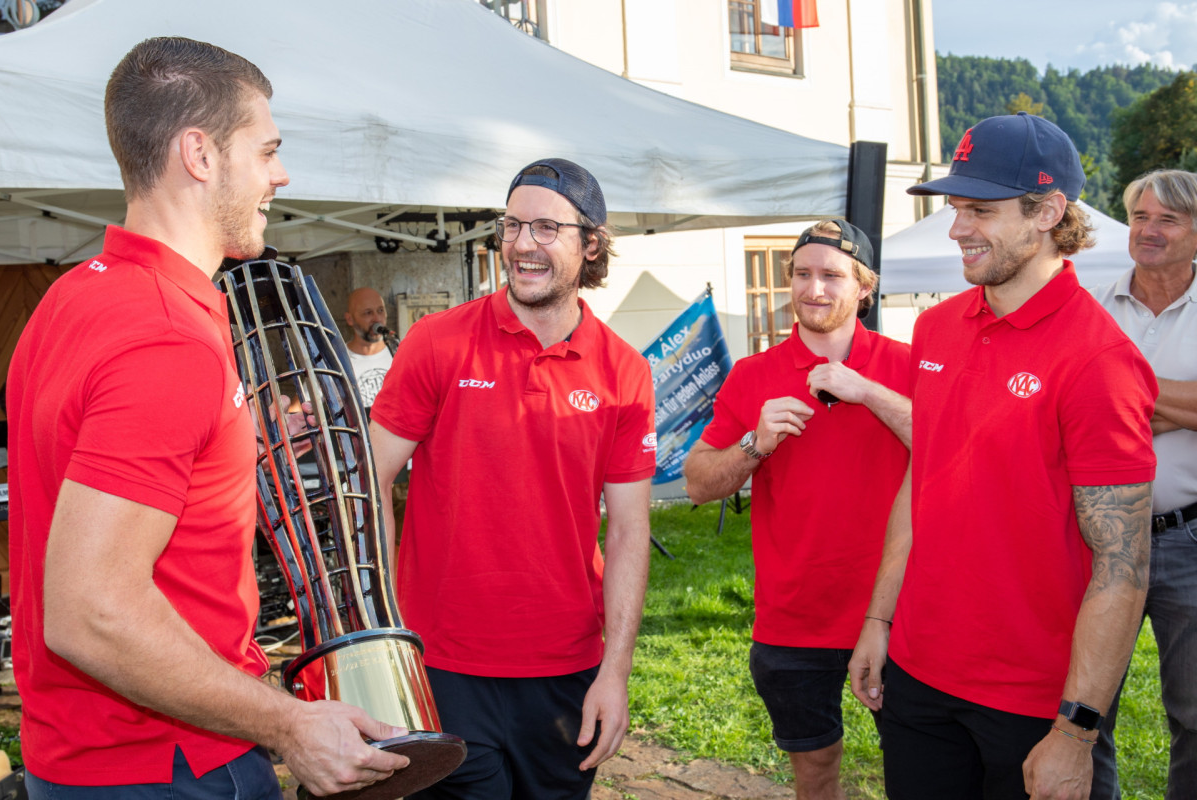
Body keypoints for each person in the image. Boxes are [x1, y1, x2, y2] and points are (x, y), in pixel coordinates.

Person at [6, 37, 408, 797]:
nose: (279, 175)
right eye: (266, 150)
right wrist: (288, 723)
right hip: (174, 765)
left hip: (72, 762)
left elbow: (100, 468)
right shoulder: (166, 334)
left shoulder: (73, 298)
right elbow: (90, 609)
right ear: (199, 154)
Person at [847, 112, 1157, 800]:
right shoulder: (933, 328)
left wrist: (1076, 731)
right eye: (955, 207)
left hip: (1035, 701)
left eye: (979, 209)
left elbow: (1123, 565)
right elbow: (918, 484)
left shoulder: (1100, 360)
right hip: (919, 677)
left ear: (1048, 212)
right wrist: (879, 619)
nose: (956, 227)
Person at [368, 157, 656, 800]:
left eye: (547, 228)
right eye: (512, 226)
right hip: (441, 665)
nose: (523, 244)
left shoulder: (623, 371)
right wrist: (383, 625)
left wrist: (616, 672)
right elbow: (367, 479)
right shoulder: (438, 342)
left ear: (591, 245)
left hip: (565, 673)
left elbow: (631, 529)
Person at [683, 219, 911, 800]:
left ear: (864, 287)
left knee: (919, 770)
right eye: (802, 274)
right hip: (796, 614)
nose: (815, 289)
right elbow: (698, 482)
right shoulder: (753, 375)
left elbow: (957, 449)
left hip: (900, 610)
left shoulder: (908, 365)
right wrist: (753, 444)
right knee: (814, 769)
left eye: (832, 275)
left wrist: (868, 392)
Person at [1090, 169, 1197, 800]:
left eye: (1168, 219)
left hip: (1187, 536)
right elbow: (1069, 408)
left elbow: (1106, 403)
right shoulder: (1093, 307)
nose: (1148, 231)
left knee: (1195, 712)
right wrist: (1171, 407)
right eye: (1139, 218)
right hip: (1096, 536)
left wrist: (1125, 397)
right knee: (1086, 704)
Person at [344, 286, 394, 410]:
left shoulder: (400, 352)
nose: (377, 319)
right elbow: (300, 407)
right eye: (368, 313)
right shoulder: (334, 359)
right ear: (350, 319)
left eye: (381, 310)